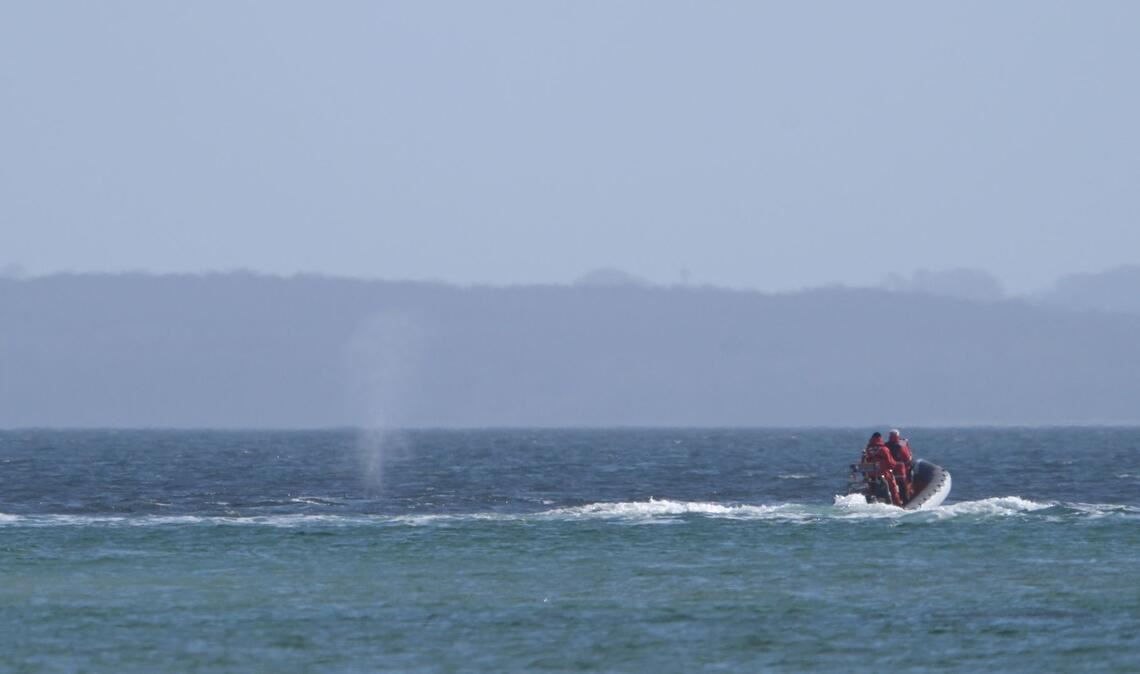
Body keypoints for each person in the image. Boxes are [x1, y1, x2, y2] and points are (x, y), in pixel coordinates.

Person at [862, 432, 902, 506]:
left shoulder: (868, 449)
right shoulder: (884, 449)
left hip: (871, 475)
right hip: (884, 475)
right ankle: (897, 505)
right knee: (893, 489)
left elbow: (864, 462)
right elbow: (891, 463)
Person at [885, 429, 915, 500]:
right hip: (901, 468)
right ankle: (906, 497)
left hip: (889, 468)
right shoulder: (902, 443)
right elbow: (907, 456)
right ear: (898, 435)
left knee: (893, 485)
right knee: (903, 484)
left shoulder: (886, 445)